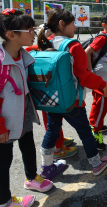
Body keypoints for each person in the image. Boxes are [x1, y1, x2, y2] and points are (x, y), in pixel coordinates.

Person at [0, 9, 53, 207]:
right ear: (11, 34)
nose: (33, 32)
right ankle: (4, 202)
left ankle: (31, 178)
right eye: (29, 29)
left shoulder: (21, 53)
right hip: (3, 118)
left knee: (28, 145)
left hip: (22, 111)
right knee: (3, 160)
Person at [37, 8, 107, 178]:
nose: (75, 27)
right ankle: (96, 163)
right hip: (72, 100)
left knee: (52, 130)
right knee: (85, 131)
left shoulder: (45, 41)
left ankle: (46, 167)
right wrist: (102, 85)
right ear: (62, 24)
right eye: (73, 23)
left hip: (51, 98)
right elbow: (84, 76)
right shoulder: (73, 46)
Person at [25, 30, 76, 160]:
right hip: (48, 89)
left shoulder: (35, 49)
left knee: (53, 121)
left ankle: (60, 140)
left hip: (44, 89)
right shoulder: (46, 46)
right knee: (52, 123)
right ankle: (57, 148)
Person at [85, 12, 107, 150]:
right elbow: (87, 52)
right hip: (100, 74)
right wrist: (90, 73)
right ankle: (95, 130)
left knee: (100, 100)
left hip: (103, 72)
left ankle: (97, 123)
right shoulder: (103, 38)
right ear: (104, 25)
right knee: (102, 101)